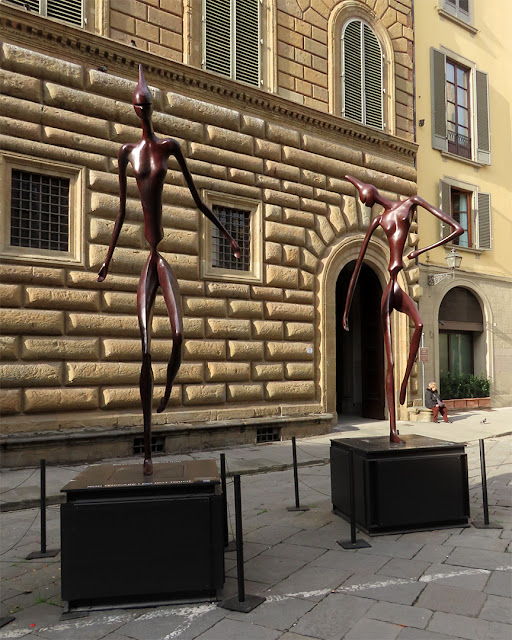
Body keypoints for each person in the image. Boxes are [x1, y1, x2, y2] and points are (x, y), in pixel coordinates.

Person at [98, 66, 240, 475]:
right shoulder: (126, 153)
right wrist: (108, 259)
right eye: (137, 107)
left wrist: (227, 235)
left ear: (152, 108)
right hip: (147, 259)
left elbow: (196, 198)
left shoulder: (168, 147)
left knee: (178, 333)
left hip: (163, 262)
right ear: (132, 110)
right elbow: (123, 210)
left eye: (146, 106)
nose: (142, 112)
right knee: (145, 348)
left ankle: (167, 388)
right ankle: (145, 449)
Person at [342, 175, 462, 444]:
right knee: (390, 361)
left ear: (371, 195)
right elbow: (359, 264)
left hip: (398, 287)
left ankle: (405, 382)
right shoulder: (378, 220)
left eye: (366, 200)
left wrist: (420, 252)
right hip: (390, 287)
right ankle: (393, 430)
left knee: (419, 325)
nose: (367, 204)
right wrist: (346, 310)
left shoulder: (411, 203)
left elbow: (456, 229)